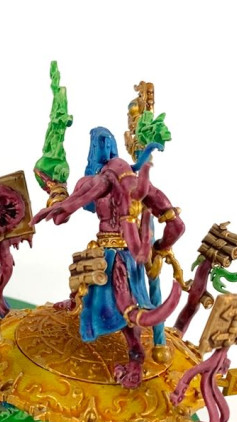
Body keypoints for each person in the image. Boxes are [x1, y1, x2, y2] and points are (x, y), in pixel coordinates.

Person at [33, 127, 184, 388]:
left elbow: (64, 212)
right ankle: (76, 302)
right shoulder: (117, 182)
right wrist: (162, 247)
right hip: (119, 254)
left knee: (124, 308)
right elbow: (177, 226)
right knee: (87, 279)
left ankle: (136, 356)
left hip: (121, 258)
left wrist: (58, 196)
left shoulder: (105, 180)